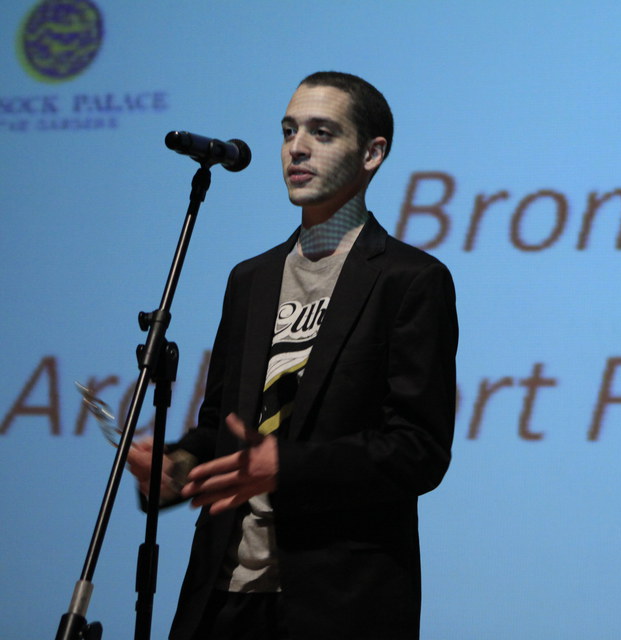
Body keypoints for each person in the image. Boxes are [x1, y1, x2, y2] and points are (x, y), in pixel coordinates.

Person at [127, 71, 458, 640]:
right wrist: (175, 468)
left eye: (321, 132)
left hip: (338, 603)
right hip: (222, 597)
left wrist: (287, 466)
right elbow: (223, 427)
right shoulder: (251, 279)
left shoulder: (410, 280)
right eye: (288, 131)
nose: (296, 148)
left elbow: (417, 451)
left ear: (372, 153)